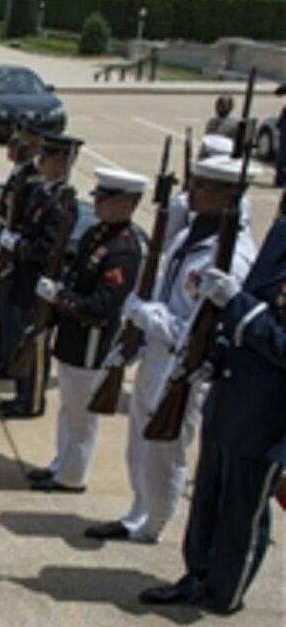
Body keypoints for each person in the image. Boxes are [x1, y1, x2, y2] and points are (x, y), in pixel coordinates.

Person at [86, 155, 257, 543]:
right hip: (156, 356)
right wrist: (133, 340)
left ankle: (154, 522)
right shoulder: (188, 236)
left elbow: (202, 332)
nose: (189, 192)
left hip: (183, 367)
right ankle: (138, 510)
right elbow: (162, 291)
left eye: (201, 186)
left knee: (165, 449)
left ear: (227, 194)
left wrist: (148, 318)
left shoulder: (232, 257)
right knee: (140, 444)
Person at [140, 160, 282, 615]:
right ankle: (196, 574)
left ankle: (225, 592)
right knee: (208, 500)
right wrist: (215, 354)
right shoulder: (279, 241)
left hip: (267, 410)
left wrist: (237, 306)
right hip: (232, 393)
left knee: (243, 509)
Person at [27, 168, 144, 493]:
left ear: (125, 205)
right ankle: (61, 464)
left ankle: (73, 476)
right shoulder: (97, 235)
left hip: (90, 342)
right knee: (68, 410)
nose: (99, 204)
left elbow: (100, 306)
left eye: (106, 200)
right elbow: (77, 276)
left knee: (81, 417)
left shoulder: (124, 250)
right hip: (72, 337)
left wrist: (59, 297)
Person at [0, 131, 83, 419]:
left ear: (61, 163)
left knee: (35, 341)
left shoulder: (63, 202)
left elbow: (45, 248)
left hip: (38, 281)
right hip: (23, 278)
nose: (39, 161)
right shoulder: (40, 192)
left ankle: (31, 401)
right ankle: (21, 393)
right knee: (22, 336)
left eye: (45, 157)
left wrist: (17, 245)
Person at [0, 129, 41, 380]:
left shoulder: (32, 181)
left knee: (14, 317)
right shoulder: (18, 175)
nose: (10, 149)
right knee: (3, 312)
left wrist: (12, 245)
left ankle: (10, 363)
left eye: (16, 146)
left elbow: (24, 222)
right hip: (5, 253)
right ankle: (1, 358)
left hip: (17, 258)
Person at [164, 133, 246, 249]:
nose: (193, 191)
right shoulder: (244, 204)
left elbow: (166, 239)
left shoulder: (181, 204)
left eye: (200, 185)